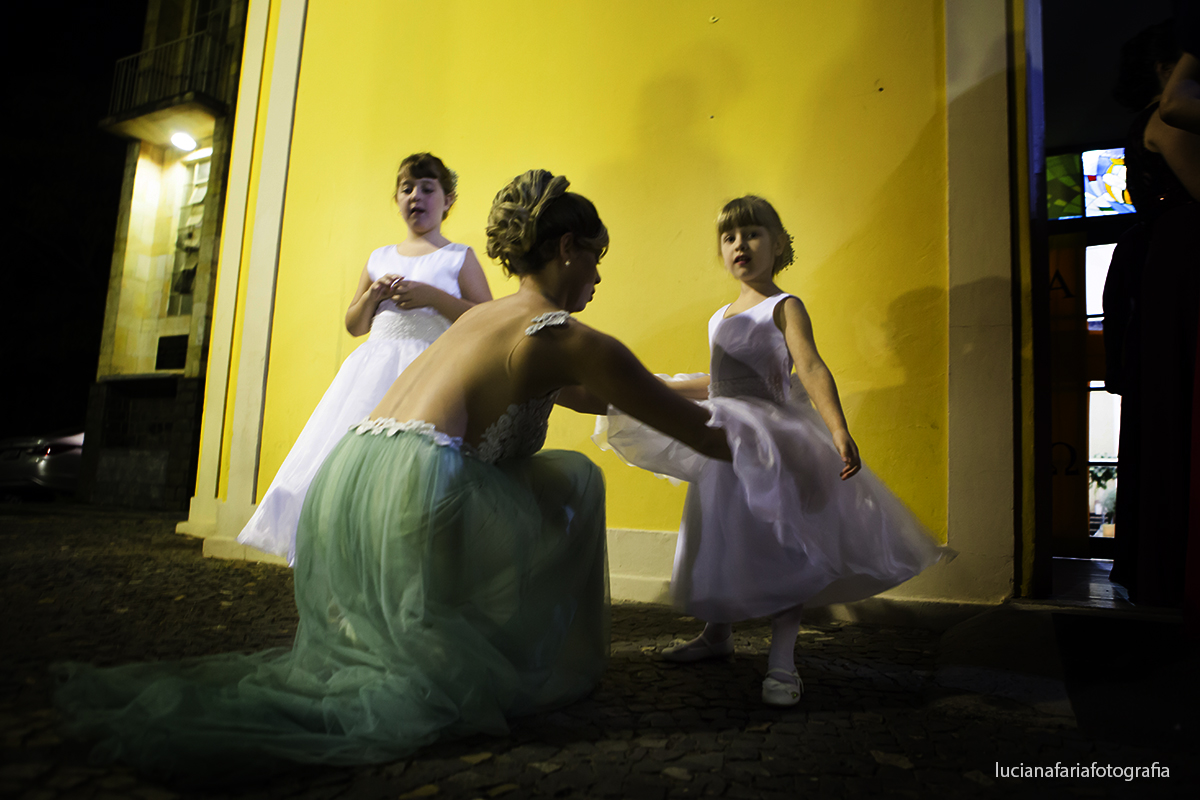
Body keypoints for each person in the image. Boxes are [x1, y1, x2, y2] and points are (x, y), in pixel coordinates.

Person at [53, 170, 730, 783]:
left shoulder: (491, 318)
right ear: (565, 249)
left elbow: (602, 394)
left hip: (352, 473)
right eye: (595, 256)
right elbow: (689, 427)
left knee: (542, 479)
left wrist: (717, 381)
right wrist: (788, 444)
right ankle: (499, 660)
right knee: (572, 481)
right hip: (419, 485)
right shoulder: (567, 339)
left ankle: (458, 649)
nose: (599, 276)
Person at [595, 196, 952, 706]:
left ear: (779, 245)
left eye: (753, 233)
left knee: (785, 544)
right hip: (725, 440)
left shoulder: (784, 307)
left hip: (773, 441)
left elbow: (809, 367)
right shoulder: (720, 316)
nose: (740, 244)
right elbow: (719, 383)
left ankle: (782, 662)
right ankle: (716, 635)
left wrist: (837, 428)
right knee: (721, 534)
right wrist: (652, 389)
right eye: (729, 237)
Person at [237, 152, 493, 565]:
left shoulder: (458, 257)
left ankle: (406, 556)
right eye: (407, 188)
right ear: (396, 199)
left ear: (448, 201)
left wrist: (434, 298)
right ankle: (352, 556)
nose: (416, 196)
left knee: (414, 472)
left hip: (429, 371)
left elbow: (485, 319)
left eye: (428, 189)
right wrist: (373, 295)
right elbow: (354, 324)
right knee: (349, 462)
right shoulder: (379, 258)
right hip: (372, 372)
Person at [1104, 20, 1200, 607]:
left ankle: (1159, 562)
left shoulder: (1144, 119)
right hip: (1184, 256)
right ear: (1170, 68)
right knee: (1178, 402)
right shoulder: (1169, 117)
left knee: (1163, 406)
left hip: (1158, 257)